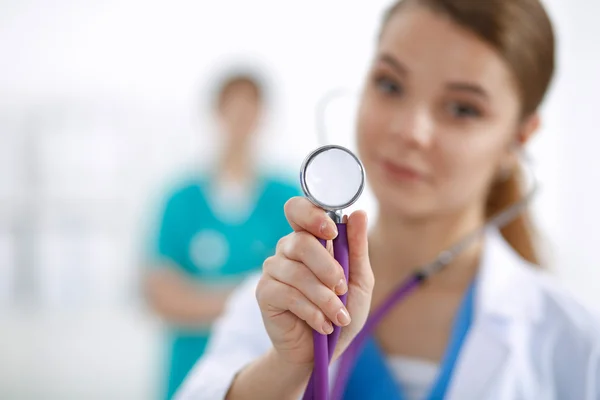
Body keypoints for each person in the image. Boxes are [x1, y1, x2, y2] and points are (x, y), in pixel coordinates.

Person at [175, 1, 600, 399]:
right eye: (390, 84)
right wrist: (287, 367)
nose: (411, 130)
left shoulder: (571, 340)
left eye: (463, 109)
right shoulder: (279, 302)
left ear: (518, 138)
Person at [144, 68, 300, 399]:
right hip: (187, 373)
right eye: (234, 108)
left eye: (250, 109)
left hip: (266, 377)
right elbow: (162, 296)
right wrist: (257, 295)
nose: (242, 120)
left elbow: (300, 292)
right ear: (217, 113)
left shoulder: (287, 199)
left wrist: (198, 297)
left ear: (262, 116)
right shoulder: (180, 199)